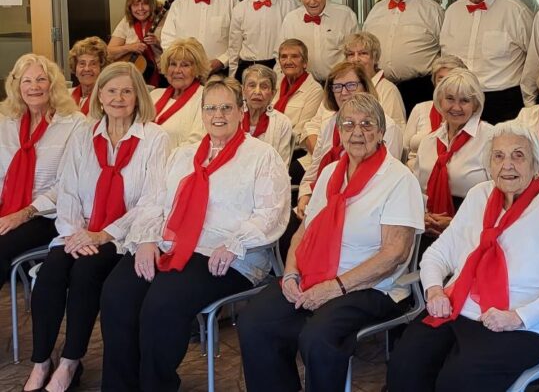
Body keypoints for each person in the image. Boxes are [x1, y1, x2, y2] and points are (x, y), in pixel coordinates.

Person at [99, 76, 290, 391]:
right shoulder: (183, 154)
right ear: (201, 114)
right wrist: (146, 239)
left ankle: (155, 386)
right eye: (211, 107)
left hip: (227, 254)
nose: (218, 114)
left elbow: (272, 212)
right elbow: (153, 201)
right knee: (118, 292)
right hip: (171, 243)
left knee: (162, 302)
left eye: (227, 107)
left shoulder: (261, 156)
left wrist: (235, 244)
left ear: (241, 110)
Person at [237, 93, 424, 391]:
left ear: (381, 132)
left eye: (367, 124)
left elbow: (394, 254)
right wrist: (291, 274)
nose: (357, 132)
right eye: (348, 124)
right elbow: (304, 233)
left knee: (318, 337)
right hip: (314, 274)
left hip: (373, 286)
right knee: (254, 322)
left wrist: (335, 287)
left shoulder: (399, 179)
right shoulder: (328, 174)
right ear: (339, 131)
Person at [387, 122, 539, 391]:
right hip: (460, 308)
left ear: (536, 166)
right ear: (489, 164)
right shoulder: (478, 195)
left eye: (518, 155)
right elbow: (437, 253)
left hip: (524, 324)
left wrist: (518, 316)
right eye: (499, 156)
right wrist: (435, 291)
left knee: (458, 381)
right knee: (405, 364)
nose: (507, 164)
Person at [24, 62, 169, 392]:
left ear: (138, 97)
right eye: (111, 90)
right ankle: (41, 360)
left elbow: (152, 200)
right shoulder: (83, 134)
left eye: (127, 91)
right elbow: (68, 188)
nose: (119, 97)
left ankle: (70, 362)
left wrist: (104, 234)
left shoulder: (154, 137)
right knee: (50, 273)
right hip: (80, 230)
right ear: (99, 96)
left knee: (85, 272)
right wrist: (75, 233)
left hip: (122, 236)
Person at [0, 54, 85, 292]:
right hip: (7, 210)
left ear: (53, 84)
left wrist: (23, 214)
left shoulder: (74, 123)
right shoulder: (5, 121)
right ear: (16, 85)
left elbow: (67, 184)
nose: (34, 87)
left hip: (47, 215)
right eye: (26, 81)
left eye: (41, 80)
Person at [295, 62, 404, 219]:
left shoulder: (387, 127)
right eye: (337, 87)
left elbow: (384, 181)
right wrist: (305, 195)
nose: (344, 92)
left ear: (366, 88)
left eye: (351, 85)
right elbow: (314, 169)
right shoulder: (330, 124)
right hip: (321, 201)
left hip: (362, 208)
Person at [440, 0, 533, 124]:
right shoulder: (452, 12)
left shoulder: (516, 11)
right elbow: (445, 57)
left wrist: (530, 103)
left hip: (503, 103)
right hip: (460, 101)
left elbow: (534, 60)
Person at [415, 69, 493, 239]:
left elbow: (499, 198)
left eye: (464, 101)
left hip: (473, 230)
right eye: (450, 99)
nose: (456, 107)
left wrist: (455, 223)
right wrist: (423, 217)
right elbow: (416, 190)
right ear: (440, 101)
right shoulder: (428, 141)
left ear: (476, 105)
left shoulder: (492, 139)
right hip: (427, 228)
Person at [363, 0, 444, 115]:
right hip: (380, 87)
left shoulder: (433, 11)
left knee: (417, 136)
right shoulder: (376, 11)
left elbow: (447, 51)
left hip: (420, 88)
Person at [161, 0, 239, 77]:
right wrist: (180, 63)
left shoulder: (232, 3)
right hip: (185, 74)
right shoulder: (178, 5)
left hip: (220, 74)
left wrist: (221, 61)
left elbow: (238, 41)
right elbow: (167, 40)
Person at [228, 0, 299, 81]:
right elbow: (234, 49)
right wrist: (232, 78)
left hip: (279, 69)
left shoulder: (292, 6)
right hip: (247, 69)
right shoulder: (239, 9)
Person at [281, 0, 358, 83]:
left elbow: (356, 54)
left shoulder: (345, 16)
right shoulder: (291, 20)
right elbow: (280, 55)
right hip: (303, 85)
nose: (312, 1)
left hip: (339, 83)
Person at [404, 55, 467, 169]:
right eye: (440, 79)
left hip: (452, 174)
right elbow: (404, 149)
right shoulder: (420, 108)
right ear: (434, 82)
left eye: (450, 79)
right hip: (412, 171)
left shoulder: (465, 113)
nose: (444, 84)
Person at [150, 37, 209, 147]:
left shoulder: (205, 98)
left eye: (185, 65)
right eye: (173, 64)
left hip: (177, 161)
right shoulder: (154, 95)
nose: (177, 70)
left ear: (197, 69)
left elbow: (197, 141)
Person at [341, 31, 407, 127]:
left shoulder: (388, 90)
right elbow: (316, 125)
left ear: (375, 58)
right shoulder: (338, 87)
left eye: (363, 53)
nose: (356, 59)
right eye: (351, 54)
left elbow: (397, 130)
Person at [273, 38, 324, 155]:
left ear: (305, 62)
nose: (288, 61)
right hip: (271, 146)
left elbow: (301, 131)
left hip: (295, 151)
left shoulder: (315, 90)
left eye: (295, 56)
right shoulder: (275, 85)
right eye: (284, 57)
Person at [108, 0, 166, 87]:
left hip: (163, 75)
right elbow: (109, 52)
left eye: (144, 4)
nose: (140, 9)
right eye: (135, 5)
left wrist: (157, 42)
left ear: (152, 5)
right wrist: (129, 47)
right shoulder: (126, 21)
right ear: (130, 8)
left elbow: (176, 50)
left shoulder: (165, 19)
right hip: (132, 76)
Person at [241, 64, 294, 165]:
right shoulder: (232, 118)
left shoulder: (282, 122)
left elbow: (281, 166)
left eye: (264, 86)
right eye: (252, 85)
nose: (257, 92)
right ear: (243, 90)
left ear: (273, 93)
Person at [67, 36, 109, 114]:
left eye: (93, 64)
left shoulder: (107, 98)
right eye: (82, 63)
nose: (87, 69)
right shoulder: (66, 96)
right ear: (75, 68)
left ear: (102, 68)